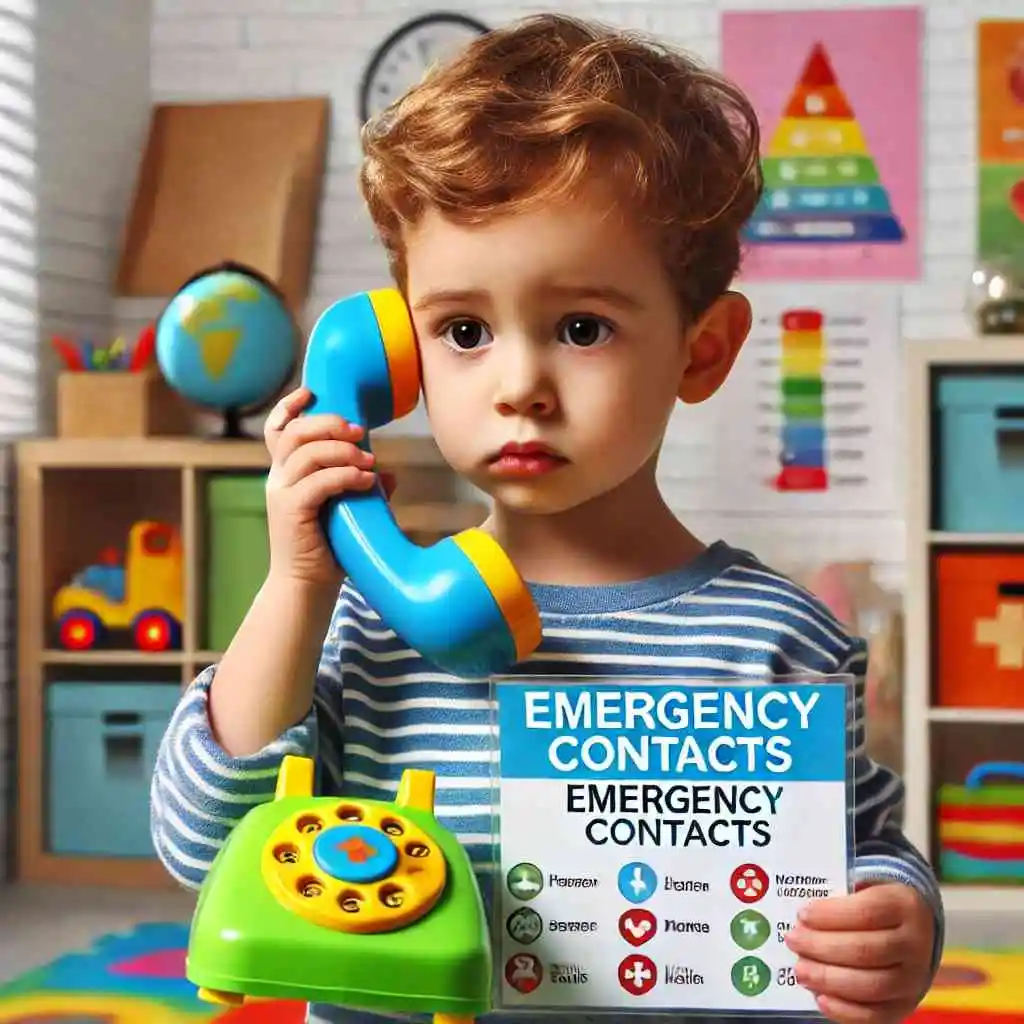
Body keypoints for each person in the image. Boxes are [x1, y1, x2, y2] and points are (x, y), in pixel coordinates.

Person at [151, 14, 942, 1024]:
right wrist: (299, 588)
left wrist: (894, 921)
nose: (519, 383)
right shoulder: (361, 627)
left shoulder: (778, 636)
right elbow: (201, 844)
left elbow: (863, 845)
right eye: (464, 330)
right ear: (396, 355)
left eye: (581, 327)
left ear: (700, 351)